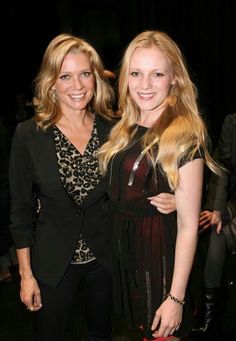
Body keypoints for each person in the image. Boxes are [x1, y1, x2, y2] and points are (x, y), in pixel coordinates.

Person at [98, 30, 220, 340]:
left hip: (159, 259)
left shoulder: (184, 136)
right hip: (127, 257)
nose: (145, 84)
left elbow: (189, 227)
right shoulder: (124, 127)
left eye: (157, 74)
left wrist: (176, 298)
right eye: (136, 73)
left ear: (174, 78)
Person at [9, 33, 115, 341]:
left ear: (95, 77)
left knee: (102, 334)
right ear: (51, 83)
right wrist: (26, 276)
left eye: (84, 74)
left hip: (104, 258)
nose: (78, 86)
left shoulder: (111, 130)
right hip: (53, 262)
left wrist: (173, 200)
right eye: (65, 76)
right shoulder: (29, 135)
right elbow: (20, 212)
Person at [190, 113, 236, 338]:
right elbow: (221, 168)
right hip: (231, 205)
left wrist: (226, 211)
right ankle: (210, 317)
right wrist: (216, 210)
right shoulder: (232, 122)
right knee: (215, 231)